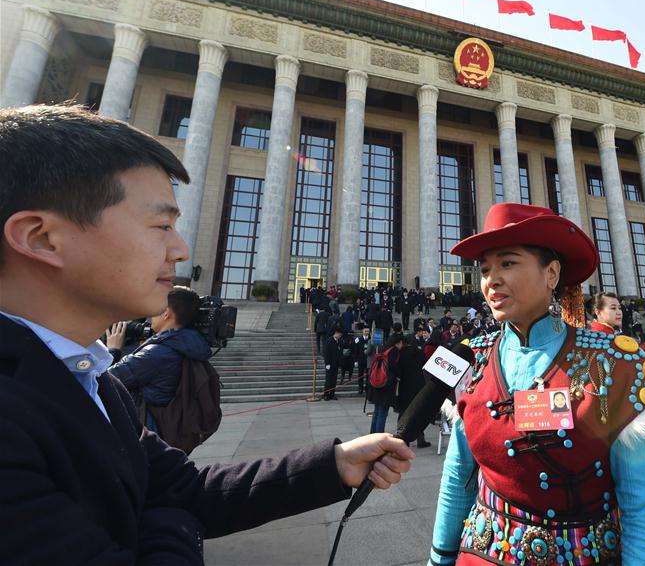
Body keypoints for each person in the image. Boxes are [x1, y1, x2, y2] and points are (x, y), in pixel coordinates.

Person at [0, 105, 414, 564]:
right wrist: (161, 517)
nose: (180, 249)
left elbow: (186, 491)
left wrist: (333, 465)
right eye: (161, 225)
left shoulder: (94, 380)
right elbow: (172, 507)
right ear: (41, 238)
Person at [430, 203, 645, 566]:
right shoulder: (472, 360)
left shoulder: (616, 365)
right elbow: (457, 479)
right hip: (479, 554)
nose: (492, 279)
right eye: (486, 268)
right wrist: (439, 558)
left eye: (507, 263)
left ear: (552, 273)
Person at [106, 285, 211, 431]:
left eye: (157, 307)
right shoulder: (187, 344)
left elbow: (105, 379)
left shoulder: (156, 353)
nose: (152, 314)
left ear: (166, 313)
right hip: (166, 430)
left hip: (144, 433)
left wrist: (113, 349)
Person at [396, 335, 431, 448]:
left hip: (405, 386)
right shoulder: (420, 352)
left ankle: (401, 438)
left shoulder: (401, 353)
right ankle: (421, 439)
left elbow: (399, 369)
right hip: (419, 386)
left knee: (403, 412)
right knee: (418, 413)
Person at [368, 333, 402, 434]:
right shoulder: (394, 351)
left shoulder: (383, 348)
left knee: (377, 411)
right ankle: (379, 436)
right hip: (386, 385)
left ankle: (373, 434)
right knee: (382, 413)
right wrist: (399, 375)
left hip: (377, 383)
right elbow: (393, 367)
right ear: (398, 343)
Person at [322, 327, 344, 400]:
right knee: (328, 380)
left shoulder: (339, 341)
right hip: (330, 364)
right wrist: (327, 363)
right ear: (336, 333)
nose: (340, 336)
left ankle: (332, 394)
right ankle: (326, 394)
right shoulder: (329, 341)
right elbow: (326, 353)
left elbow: (340, 352)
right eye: (340, 334)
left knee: (334, 380)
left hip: (336, 364)